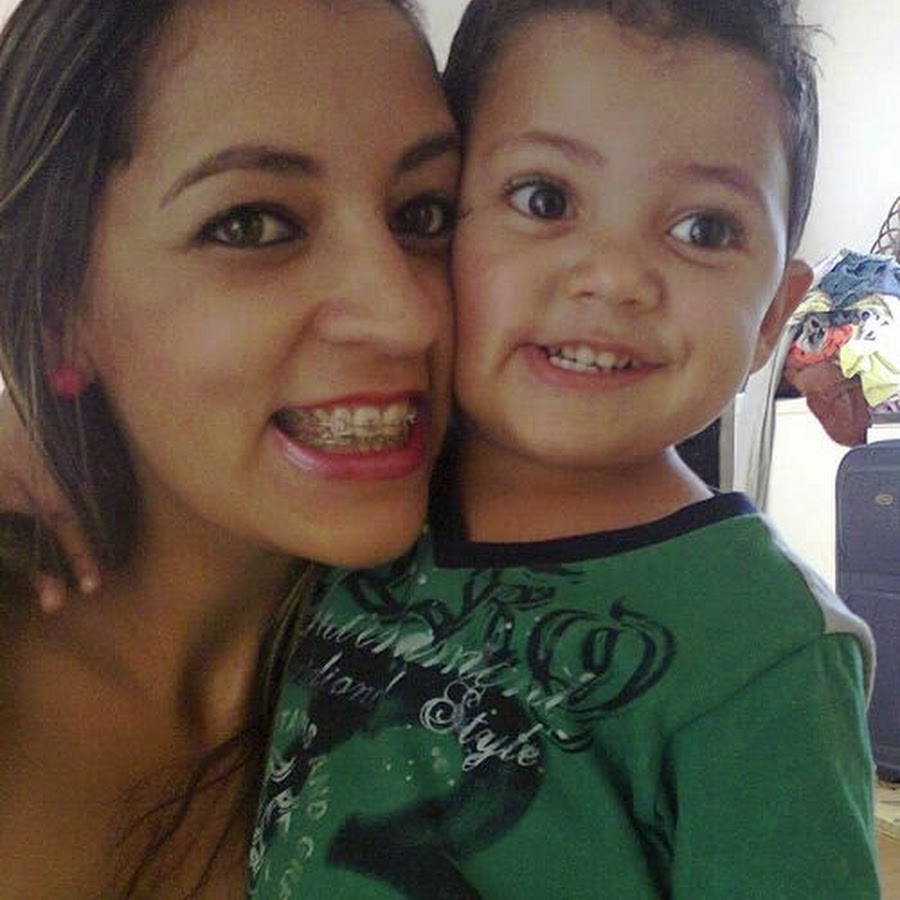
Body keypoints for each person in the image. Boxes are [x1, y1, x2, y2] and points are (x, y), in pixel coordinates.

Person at [248, 1, 881, 897]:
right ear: (438, 226)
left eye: (704, 229)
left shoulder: (767, 649)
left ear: (774, 314)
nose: (614, 278)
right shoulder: (359, 493)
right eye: (545, 200)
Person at [0, 0, 460, 896]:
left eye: (426, 212)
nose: (407, 316)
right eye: (252, 224)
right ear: (58, 308)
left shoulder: (538, 652)